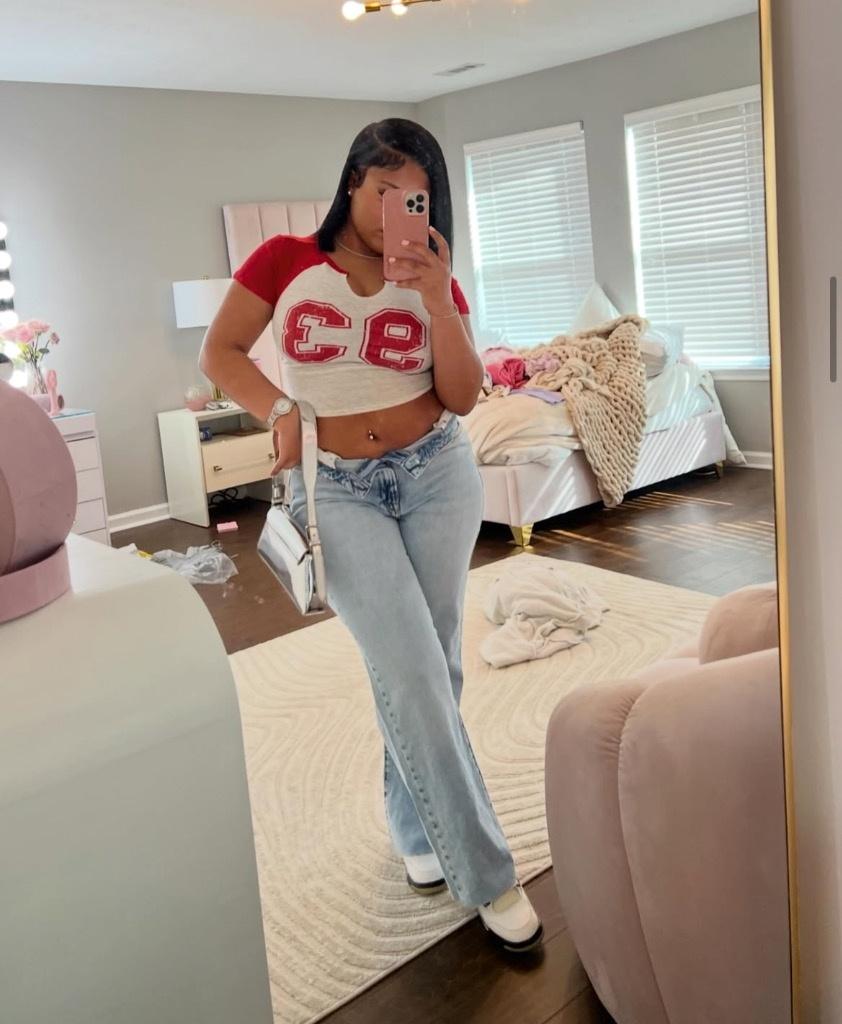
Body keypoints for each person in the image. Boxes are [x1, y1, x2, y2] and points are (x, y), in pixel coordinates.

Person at [199, 118, 543, 952]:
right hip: (337, 490)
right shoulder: (284, 260)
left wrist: (438, 299)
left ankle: (417, 829)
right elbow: (222, 351)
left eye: (414, 196)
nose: (396, 210)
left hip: (437, 475)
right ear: (352, 181)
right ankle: (486, 874)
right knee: (412, 669)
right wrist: (280, 409)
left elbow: (463, 396)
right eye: (384, 189)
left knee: (435, 663)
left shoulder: (434, 277)